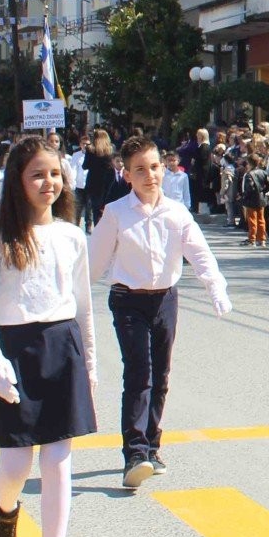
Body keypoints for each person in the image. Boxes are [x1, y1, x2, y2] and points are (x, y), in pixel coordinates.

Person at [0, 136, 95, 537]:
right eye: (37, 174)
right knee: (15, 466)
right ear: (18, 183)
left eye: (55, 174)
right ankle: (6, 509)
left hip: (62, 347)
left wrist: (92, 364)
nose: (48, 182)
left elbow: (83, 305)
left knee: (58, 460)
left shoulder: (71, 234)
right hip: (16, 351)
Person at [88, 135, 233, 491]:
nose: (150, 175)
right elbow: (92, 264)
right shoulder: (116, 213)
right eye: (140, 170)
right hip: (128, 301)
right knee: (139, 373)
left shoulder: (176, 212)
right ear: (127, 175)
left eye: (154, 167)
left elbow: (199, 253)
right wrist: (72, 302)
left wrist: (216, 288)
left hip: (165, 299)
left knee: (161, 375)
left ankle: (152, 446)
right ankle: (134, 454)